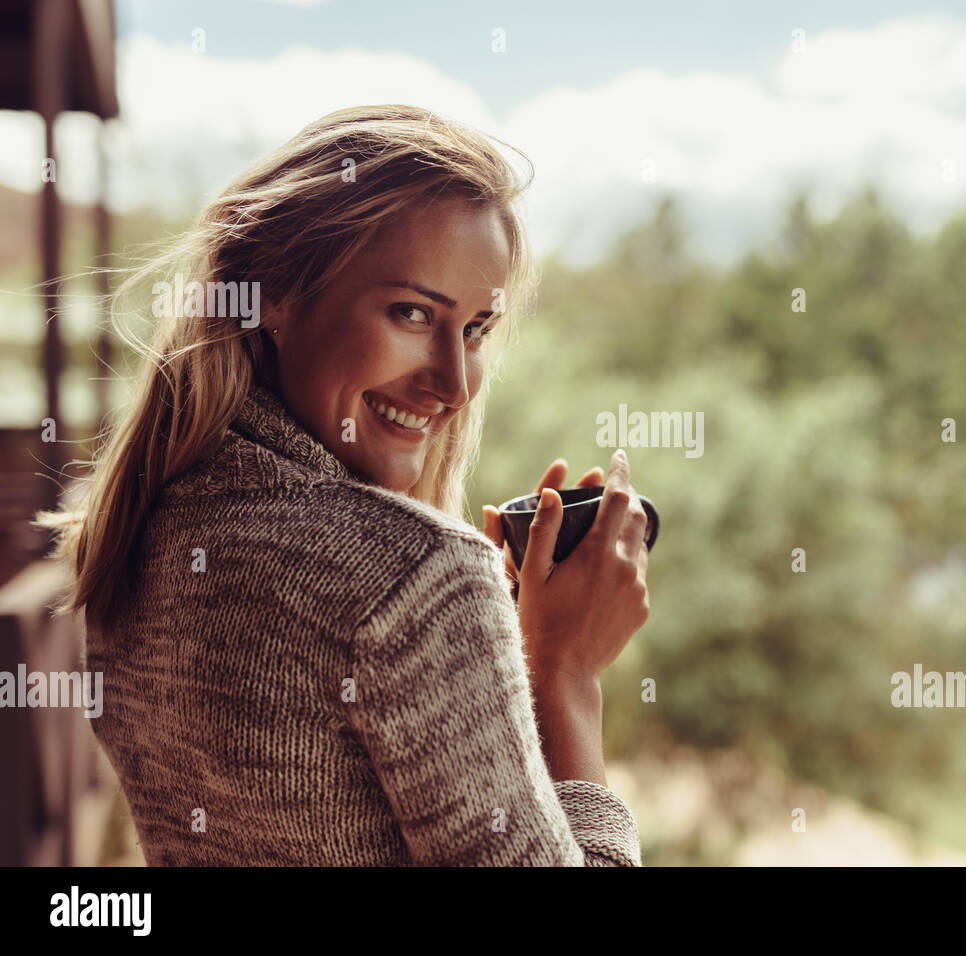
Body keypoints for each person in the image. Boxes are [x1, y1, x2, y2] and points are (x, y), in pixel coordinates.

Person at [36, 105, 651, 866]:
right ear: (272, 294)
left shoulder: (139, 530)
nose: (452, 383)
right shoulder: (415, 575)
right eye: (411, 313)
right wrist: (565, 673)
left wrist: (467, 664)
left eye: (476, 330)